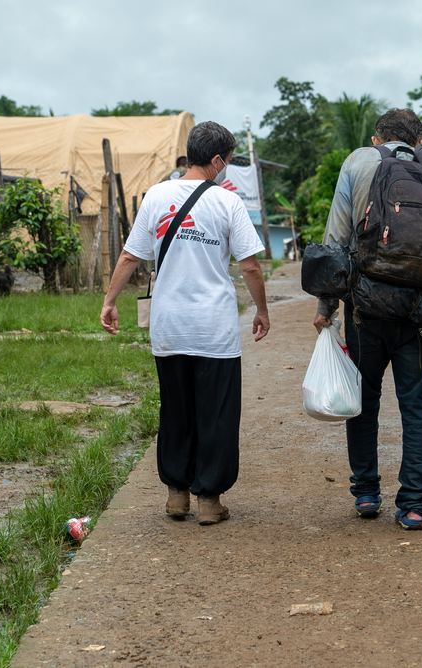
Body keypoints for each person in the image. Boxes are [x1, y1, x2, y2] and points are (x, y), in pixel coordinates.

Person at [312, 108, 422, 530]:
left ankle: (367, 493)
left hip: (366, 310)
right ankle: (413, 504)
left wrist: (326, 308)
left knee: (362, 405)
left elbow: (336, 239)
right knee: (417, 408)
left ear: (376, 139)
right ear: (418, 140)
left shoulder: (356, 162)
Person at [101, 121, 270, 525]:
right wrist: (262, 310)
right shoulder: (228, 202)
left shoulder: (157, 195)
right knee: (216, 413)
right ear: (216, 160)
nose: (227, 168)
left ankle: (176, 496)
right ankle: (209, 501)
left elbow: (130, 257)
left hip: (169, 326)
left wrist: (109, 301)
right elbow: (249, 266)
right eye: (227, 160)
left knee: (176, 410)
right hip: (215, 329)